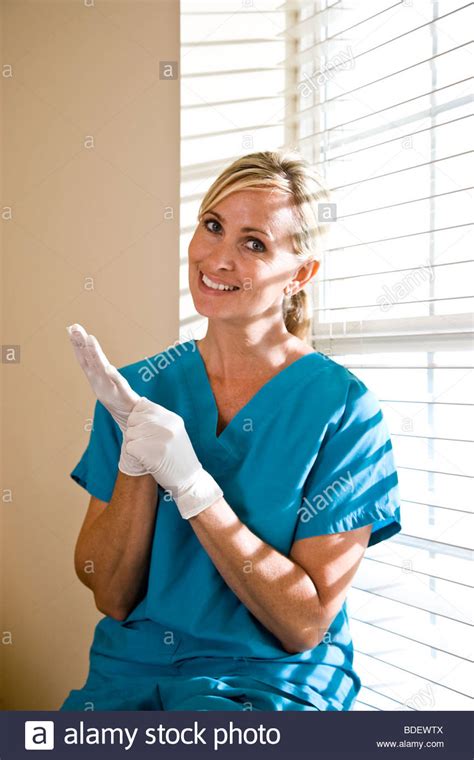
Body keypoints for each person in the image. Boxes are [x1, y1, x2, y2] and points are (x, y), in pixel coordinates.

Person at [59, 150, 401, 712]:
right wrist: (137, 465)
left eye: (254, 243)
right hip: (129, 680)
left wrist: (192, 485)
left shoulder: (342, 409)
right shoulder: (137, 392)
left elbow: (305, 624)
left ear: (301, 274)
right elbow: (111, 594)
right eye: (212, 226)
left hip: (270, 685)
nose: (217, 259)